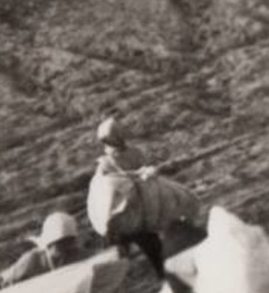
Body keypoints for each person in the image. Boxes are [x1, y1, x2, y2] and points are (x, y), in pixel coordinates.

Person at [87, 117, 202, 278]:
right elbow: (107, 185)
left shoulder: (134, 153)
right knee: (118, 255)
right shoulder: (105, 163)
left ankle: (164, 277)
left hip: (140, 212)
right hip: (120, 216)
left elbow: (142, 170)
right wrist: (136, 175)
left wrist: (144, 173)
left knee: (153, 249)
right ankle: (119, 283)